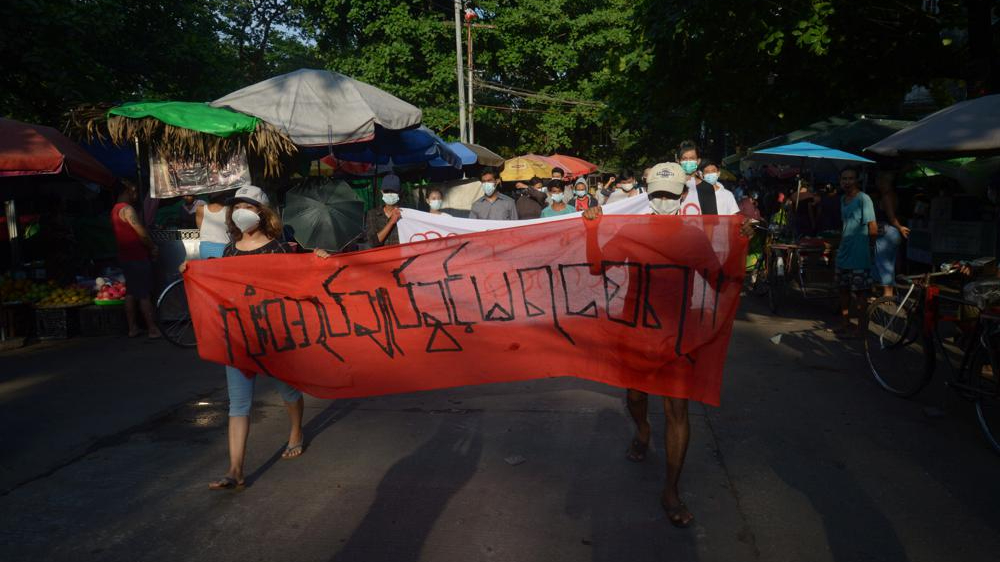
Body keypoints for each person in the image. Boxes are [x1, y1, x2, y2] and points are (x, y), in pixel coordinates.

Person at [582, 162, 752, 529]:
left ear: (682, 196)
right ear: (647, 194)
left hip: (678, 334)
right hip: (637, 331)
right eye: (657, 194)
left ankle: (671, 490)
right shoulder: (630, 230)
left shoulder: (694, 238)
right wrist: (592, 229)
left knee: (678, 410)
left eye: (669, 195)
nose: (662, 201)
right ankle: (642, 431)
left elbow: (721, 283)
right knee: (636, 396)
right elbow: (598, 268)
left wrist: (741, 242)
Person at [179, 185, 328, 490]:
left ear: (262, 212)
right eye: (237, 206)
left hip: (274, 337)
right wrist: (191, 270)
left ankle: (296, 431)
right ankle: (235, 470)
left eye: (247, 205)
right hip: (239, 338)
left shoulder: (279, 249)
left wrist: (319, 259)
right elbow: (217, 285)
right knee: (238, 405)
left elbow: (301, 280)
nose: (240, 211)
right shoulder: (229, 250)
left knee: (288, 392)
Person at [110, 180, 162, 339]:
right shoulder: (127, 209)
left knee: (132, 292)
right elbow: (141, 233)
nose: (135, 194)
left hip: (126, 257)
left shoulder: (114, 210)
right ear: (125, 191)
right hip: (137, 257)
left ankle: (133, 328)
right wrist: (153, 247)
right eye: (133, 191)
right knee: (144, 293)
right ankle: (152, 329)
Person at [834, 166, 877, 337]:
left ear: (857, 180)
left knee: (860, 294)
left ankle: (861, 329)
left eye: (850, 178)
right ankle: (845, 324)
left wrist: (870, 249)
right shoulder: (843, 199)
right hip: (844, 252)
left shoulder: (864, 199)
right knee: (843, 290)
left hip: (859, 254)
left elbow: (872, 227)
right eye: (844, 178)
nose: (847, 181)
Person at [872, 172, 911, 297]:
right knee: (889, 263)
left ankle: (887, 294)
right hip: (892, 233)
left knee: (883, 263)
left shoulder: (887, 196)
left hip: (887, 232)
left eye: (880, 181)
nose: (878, 184)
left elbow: (891, 217)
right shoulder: (893, 195)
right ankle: (888, 292)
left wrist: (899, 227)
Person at [365, 174, 403, 247]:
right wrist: (391, 222)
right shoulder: (372, 214)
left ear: (399, 193)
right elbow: (373, 243)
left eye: (393, 191)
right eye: (387, 191)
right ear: (382, 192)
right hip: (381, 257)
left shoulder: (405, 214)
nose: (390, 194)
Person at [196, 191, 230, 258]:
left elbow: (200, 227)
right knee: (222, 268)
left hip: (205, 246)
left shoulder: (200, 208)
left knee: (207, 268)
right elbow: (229, 228)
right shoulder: (228, 209)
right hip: (223, 245)